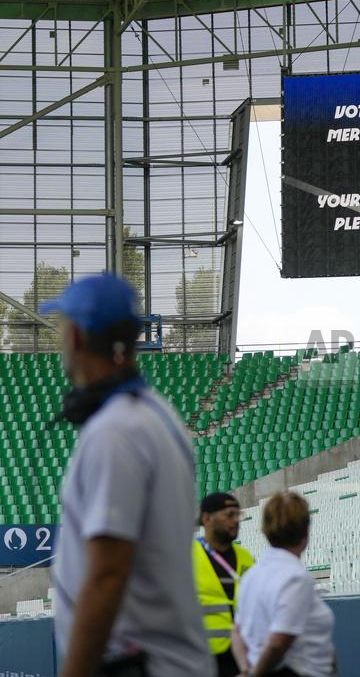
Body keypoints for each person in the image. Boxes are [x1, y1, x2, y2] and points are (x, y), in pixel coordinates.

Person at [43, 273, 211, 677]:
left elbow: (108, 574)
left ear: (79, 337)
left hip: (139, 665)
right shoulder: (154, 414)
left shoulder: (115, 432)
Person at [234, 491, 335, 677]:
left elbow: (237, 631)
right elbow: (278, 642)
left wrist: (245, 669)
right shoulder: (294, 577)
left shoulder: (252, 576)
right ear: (305, 531)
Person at [194, 492, 256, 677]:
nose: (236, 520)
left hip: (242, 657)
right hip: (203, 659)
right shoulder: (186, 556)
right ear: (207, 519)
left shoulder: (246, 557)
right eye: (229, 514)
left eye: (238, 514)